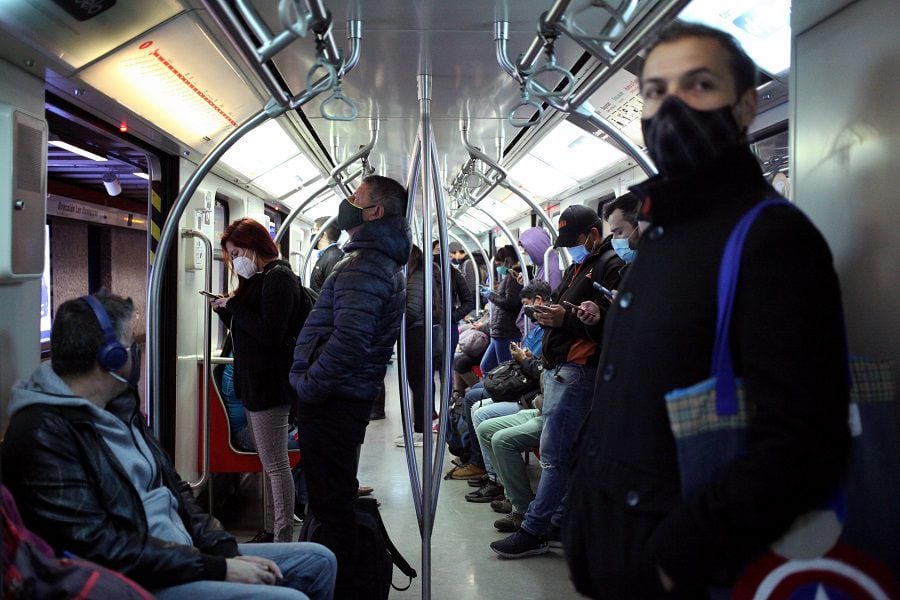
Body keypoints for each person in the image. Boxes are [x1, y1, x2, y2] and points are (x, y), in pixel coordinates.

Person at [564, 23, 850, 598]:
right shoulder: (665, 235)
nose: (670, 106)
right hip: (616, 547)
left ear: (744, 105)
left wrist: (677, 556)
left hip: (683, 567)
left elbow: (804, 440)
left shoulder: (769, 238)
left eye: (698, 84)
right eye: (654, 91)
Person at [2, 293, 336, 599]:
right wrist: (217, 568)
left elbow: (174, 489)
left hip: (182, 553)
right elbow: (97, 545)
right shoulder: (42, 433)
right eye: (130, 343)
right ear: (111, 356)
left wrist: (222, 549)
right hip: (139, 576)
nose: (135, 351)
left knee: (317, 560)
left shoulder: (120, 406)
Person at [290, 175, 411, 599]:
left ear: (375, 212)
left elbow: (348, 342)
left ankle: (336, 587)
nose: (347, 205)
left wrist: (309, 385)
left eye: (355, 199)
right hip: (343, 397)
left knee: (331, 507)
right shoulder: (377, 260)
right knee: (333, 499)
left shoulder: (365, 265)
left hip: (333, 400)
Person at [489, 204, 622, 559]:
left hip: (579, 371)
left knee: (553, 455)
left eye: (574, 240)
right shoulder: (578, 267)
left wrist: (567, 320)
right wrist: (551, 316)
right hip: (561, 368)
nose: (570, 248)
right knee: (567, 453)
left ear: (593, 234)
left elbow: (613, 326)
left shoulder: (610, 267)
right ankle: (558, 522)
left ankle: (533, 529)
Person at [210, 217, 306, 544]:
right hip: (255, 385)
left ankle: (281, 537)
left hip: (270, 386)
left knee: (276, 466)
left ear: (254, 247)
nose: (235, 260)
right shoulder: (260, 279)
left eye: (237, 252)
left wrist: (235, 305)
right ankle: (270, 529)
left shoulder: (279, 278)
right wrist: (226, 309)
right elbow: (247, 330)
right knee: (270, 464)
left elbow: (270, 333)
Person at [396, 244, 444, 447]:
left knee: (418, 382)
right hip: (420, 331)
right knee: (420, 382)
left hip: (416, 333)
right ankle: (419, 427)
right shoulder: (423, 274)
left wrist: (394, 322)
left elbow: (413, 309)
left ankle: (420, 431)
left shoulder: (417, 276)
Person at [479, 245, 524, 374]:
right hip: (500, 330)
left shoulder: (513, 277)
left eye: (499, 264)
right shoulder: (510, 276)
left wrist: (491, 295)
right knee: (487, 366)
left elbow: (510, 303)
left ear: (507, 261)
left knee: (504, 371)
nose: (498, 267)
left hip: (506, 331)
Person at [310, 216, 343, 293]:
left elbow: (331, 291)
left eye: (314, 230)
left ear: (322, 234)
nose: (312, 234)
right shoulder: (327, 255)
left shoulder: (332, 258)